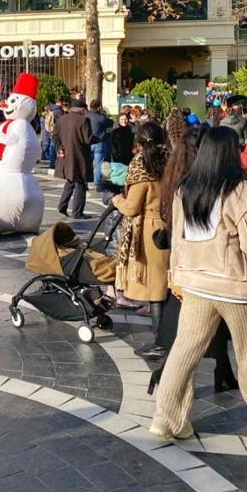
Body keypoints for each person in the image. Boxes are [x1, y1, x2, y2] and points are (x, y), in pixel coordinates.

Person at [151, 127, 247, 441]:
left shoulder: (186, 188)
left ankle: (167, 419)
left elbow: (177, 239)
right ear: (230, 151)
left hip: (194, 284)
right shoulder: (242, 191)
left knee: (184, 351)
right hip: (235, 285)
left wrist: (174, 275)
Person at [112, 122, 169, 355]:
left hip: (148, 231)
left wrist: (117, 201)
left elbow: (132, 207)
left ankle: (161, 342)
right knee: (165, 285)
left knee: (155, 290)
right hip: (167, 225)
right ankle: (167, 337)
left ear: (138, 143)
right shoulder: (169, 162)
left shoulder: (141, 169)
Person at [53, 100, 93, 219]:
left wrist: (59, 148)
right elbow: (88, 139)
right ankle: (77, 212)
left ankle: (62, 206)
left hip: (66, 156)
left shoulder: (61, 119)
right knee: (80, 183)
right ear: (82, 109)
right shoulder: (84, 120)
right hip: (79, 156)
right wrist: (101, 137)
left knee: (70, 181)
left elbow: (55, 136)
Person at [87, 99, 113, 190]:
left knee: (87, 163)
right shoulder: (101, 117)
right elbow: (110, 123)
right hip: (99, 142)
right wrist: (103, 114)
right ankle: (97, 184)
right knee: (98, 164)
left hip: (87, 142)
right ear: (99, 107)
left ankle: (85, 183)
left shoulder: (86, 115)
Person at [110, 111, 134, 187]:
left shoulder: (131, 131)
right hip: (118, 158)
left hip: (129, 157)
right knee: (118, 179)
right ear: (118, 120)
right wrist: (115, 157)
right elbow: (113, 146)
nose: (124, 121)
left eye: (125, 119)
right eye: (121, 119)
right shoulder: (115, 132)